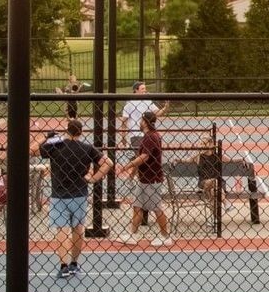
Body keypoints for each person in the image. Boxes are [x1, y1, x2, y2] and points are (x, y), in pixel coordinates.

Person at [33, 118, 110, 280]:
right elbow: (108, 163)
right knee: (78, 228)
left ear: (67, 130)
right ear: (81, 132)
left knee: (62, 230)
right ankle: (74, 263)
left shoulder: (55, 145)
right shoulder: (87, 148)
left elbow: (31, 150)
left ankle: (64, 265)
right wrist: (94, 178)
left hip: (59, 194)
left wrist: (46, 136)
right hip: (79, 193)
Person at [117, 111, 172, 246]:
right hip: (144, 179)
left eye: (141, 120)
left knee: (156, 208)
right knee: (137, 206)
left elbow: (144, 157)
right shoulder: (149, 136)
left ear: (145, 121)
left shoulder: (151, 137)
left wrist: (128, 166)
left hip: (151, 178)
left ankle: (166, 236)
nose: (139, 123)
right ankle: (133, 234)